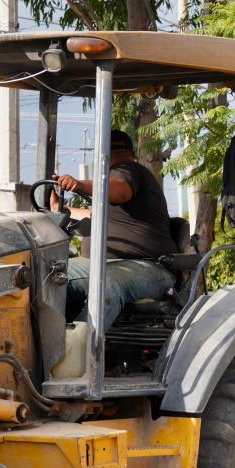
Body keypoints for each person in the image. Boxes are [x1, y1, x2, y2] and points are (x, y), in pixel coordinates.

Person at [52, 130, 177, 331]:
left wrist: (80, 185)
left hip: (148, 267)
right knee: (47, 274)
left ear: (105, 154)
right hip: (96, 263)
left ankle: (80, 354)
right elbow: (91, 215)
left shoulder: (128, 170)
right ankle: (47, 344)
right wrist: (60, 209)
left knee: (106, 283)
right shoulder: (113, 187)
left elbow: (120, 191)